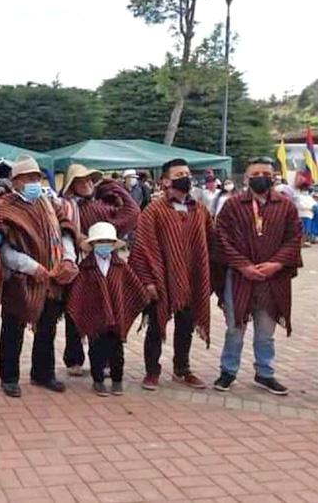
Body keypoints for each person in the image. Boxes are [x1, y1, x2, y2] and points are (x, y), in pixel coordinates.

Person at [213, 157, 303, 395]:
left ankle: (265, 373)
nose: (261, 177)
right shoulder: (233, 205)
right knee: (235, 328)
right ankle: (228, 371)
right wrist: (243, 265)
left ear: (274, 177)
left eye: (266, 173)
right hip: (239, 277)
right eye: (255, 174)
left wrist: (276, 263)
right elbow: (221, 237)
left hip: (272, 278)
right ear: (246, 178)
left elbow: (294, 238)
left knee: (266, 331)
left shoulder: (286, 206)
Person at [0, 156, 79, 398]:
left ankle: (43, 373)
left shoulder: (49, 204)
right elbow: (4, 250)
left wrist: (68, 258)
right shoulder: (6, 209)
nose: (34, 182)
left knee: (47, 328)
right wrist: (32, 267)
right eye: (28, 178)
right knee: (13, 329)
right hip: (21, 279)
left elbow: (66, 231)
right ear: (15, 182)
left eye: (36, 178)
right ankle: (9, 378)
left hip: (52, 279)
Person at [129, 158, 213, 391]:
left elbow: (209, 242)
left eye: (187, 173)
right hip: (161, 280)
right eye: (179, 174)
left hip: (190, 280)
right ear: (166, 181)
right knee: (156, 327)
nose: (185, 177)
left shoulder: (200, 210)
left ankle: (182, 369)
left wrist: (206, 277)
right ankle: (152, 371)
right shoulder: (154, 210)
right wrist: (147, 281)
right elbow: (141, 248)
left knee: (186, 327)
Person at [60, 164, 141, 377]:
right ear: (72, 185)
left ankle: (102, 360)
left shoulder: (102, 205)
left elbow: (132, 212)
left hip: (102, 262)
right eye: (80, 181)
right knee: (74, 309)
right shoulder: (66, 207)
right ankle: (74, 358)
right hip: (75, 263)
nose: (86, 184)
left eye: (89, 180)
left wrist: (112, 186)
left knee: (103, 310)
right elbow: (61, 228)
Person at [67, 222, 148, 396]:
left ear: (113, 244)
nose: (104, 245)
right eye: (100, 242)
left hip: (116, 318)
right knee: (96, 350)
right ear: (93, 244)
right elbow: (78, 294)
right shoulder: (86, 267)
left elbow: (133, 287)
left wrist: (141, 299)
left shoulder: (120, 266)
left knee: (116, 350)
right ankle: (98, 381)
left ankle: (117, 380)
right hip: (95, 317)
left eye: (107, 242)